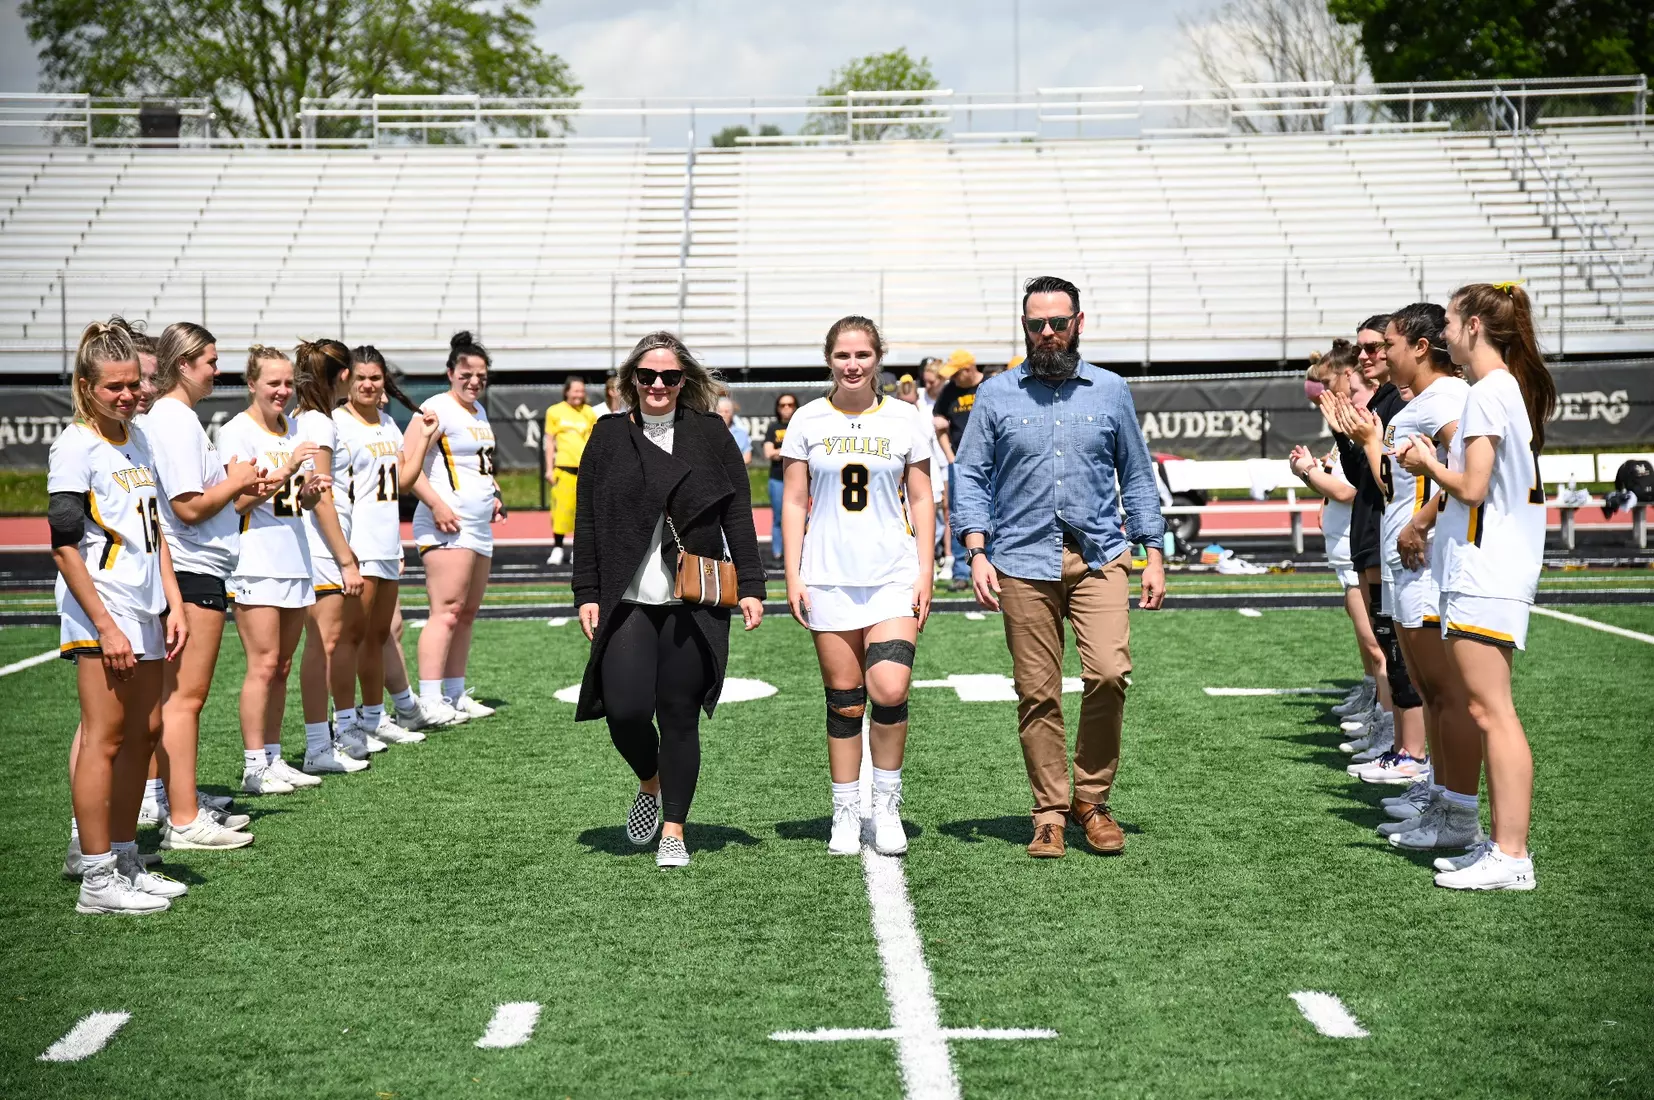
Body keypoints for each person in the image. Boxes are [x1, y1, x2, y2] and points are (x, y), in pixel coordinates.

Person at [953, 275, 1166, 859]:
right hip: (1021, 558)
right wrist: (975, 550)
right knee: (1037, 693)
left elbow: (1138, 473)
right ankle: (1049, 811)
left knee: (1107, 675)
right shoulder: (996, 395)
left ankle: (1091, 800)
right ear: (1024, 328)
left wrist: (1154, 552)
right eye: (1035, 324)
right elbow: (969, 474)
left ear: (1078, 323)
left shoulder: (1111, 390)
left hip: (1100, 554)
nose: (1047, 333)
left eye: (1057, 322)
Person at [573, 332, 766, 869]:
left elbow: (738, 515)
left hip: (693, 594)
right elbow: (585, 518)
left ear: (686, 382)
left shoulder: (709, 432)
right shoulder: (608, 434)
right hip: (627, 595)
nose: (658, 385)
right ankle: (650, 781)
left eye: (670, 376)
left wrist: (750, 584)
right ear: (631, 380)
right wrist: (586, 592)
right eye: (647, 376)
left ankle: (675, 829)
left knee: (679, 715)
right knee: (626, 709)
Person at [1395, 281, 1554, 891]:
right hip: (1486, 565)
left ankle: (1512, 855)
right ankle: (1502, 846)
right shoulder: (1501, 388)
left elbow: (1472, 487)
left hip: (1487, 569)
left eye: (1453, 322)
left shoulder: (1489, 390)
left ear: (1474, 330)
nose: (1445, 333)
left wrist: (1425, 463)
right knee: (1487, 708)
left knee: (1493, 711)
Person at [51, 320, 189, 913]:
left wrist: (173, 597)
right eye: (114, 387)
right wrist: (105, 626)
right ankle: (97, 876)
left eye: (134, 384)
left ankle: (128, 859)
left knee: (146, 733)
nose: (129, 395)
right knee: (105, 739)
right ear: (86, 386)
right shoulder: (74, 445)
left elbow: (152, 530)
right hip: (101, 609)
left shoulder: (140, 437)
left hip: (146, 605)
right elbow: (62, 545)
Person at [782, 318, 934, 856]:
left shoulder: (906, 417)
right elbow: (795, 501)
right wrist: (794, 573)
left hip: (892, 575)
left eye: (864, 354)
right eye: (844, 355)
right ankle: (846, 811)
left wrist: (926, 570)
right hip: (827, 576)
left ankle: (887, 803)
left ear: (878, 359)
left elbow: (920, 499)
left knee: (890, 689)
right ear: (829, 359)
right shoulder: (806, 419)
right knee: (845, 702)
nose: (853, 364)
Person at [142, 322, 258, 849]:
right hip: (192, 570)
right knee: (184, 700)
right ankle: (183, 817)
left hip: (197, 567)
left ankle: (176, 799)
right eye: (210, 360)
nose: (217, 369)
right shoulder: (174, 420)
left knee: (177, 700)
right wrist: (235, 480)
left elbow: (208, 502)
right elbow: (188, 509)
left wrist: (243, 487)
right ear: (184, 364)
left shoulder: (178, 419)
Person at [219, 346, 326, 795]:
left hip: (294, 556)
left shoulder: (296, 427)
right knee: (262, 665)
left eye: (288, 383)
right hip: (256, 561)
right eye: (273, 384)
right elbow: (238, 501)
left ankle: (275, 758)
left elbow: (295, 503)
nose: (283, 392)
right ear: (252, 384)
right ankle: (253, 766)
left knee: (282, 665)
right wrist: (285, 468)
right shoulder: (236, 432)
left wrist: (314, 491)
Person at [401, 331, 501, 725]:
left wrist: (494, 494)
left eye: (481, 376)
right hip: (447, 525)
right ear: (450, 372)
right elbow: (406, 464)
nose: (474, 381)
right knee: (446, 610)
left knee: (467, 612)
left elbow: (477, 465)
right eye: (467, 373)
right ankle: (429, 698)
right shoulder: (435, 407)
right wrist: (437, 503)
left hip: (477, 526)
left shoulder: (478, 411)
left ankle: (456, 694)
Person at [1319, 315, 1404, 759]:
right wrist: (1344, 433)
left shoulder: (1401, 404)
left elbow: (1384, 480)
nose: (1367, 356)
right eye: (1362, 349)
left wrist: (1365, 441)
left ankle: (1404, 747)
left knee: (1393, 650)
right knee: (1387, 644)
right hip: (1372, 533)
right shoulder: (1388, 401)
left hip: (1391, 535)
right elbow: (1365, 475)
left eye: (1376, 346)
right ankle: (1396, 739)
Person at [1290, 343, 1385, 726]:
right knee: (1368, 635)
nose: (1327, 402)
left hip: (1358, 542)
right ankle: (1374, 701)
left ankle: (1385, 721)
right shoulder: (1347, 424)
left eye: (1330, 389)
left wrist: (1308, 473)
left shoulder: (1363, 420)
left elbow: (1349, 490)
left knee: (1377, 641)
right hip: (1349, 542)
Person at [293, 339, 374, 775]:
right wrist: (345, 557)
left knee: (320, 645)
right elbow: (321, 494)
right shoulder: (320, 423)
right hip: (321, 545)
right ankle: (318, 745)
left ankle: (322, 740)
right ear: (343, 375)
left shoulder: (305, 419)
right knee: (322, 645)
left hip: (316, 542)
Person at [341, 346, 428, 745]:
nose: (368, 384)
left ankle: (374, 716)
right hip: (357, 545)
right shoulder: (337, 423)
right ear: (347, 379)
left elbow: (404, 481)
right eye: (361, 377)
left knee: (379, 636)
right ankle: (345, 722)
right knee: (351, 637)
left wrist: (423, 438)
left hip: (386, 542)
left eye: (375, 378)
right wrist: (345, 552)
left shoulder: (390, 424)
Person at [932, 348, 982, 590]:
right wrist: (951, 458)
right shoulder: (949, 391)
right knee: (961, 516)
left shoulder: (990, 386)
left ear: (969, 370)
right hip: (961, 463)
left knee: (995, 515)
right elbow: (939, 425)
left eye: (955, 373)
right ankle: (963, 573)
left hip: (991, 462)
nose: (951, 379)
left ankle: (991, 569)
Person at [896, 374, 948, 578]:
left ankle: (928, 560)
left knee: (931, 520)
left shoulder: (925, 415)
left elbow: (933, 450)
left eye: (911, 401)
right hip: (901, 478)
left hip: (928, 472)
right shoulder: (893, 417)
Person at [544, 375, 597, 567]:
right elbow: (549, 442)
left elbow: (593, 442)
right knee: (560, 512)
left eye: (582, 391)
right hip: (563, 470)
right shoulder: (554, 412)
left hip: (584, 471)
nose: (579, 394)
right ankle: (557, 548)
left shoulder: (589, 413)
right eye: (575, 390)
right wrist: (549, 468)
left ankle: (578, 550)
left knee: (582, 514)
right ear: (567, 391)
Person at [761, 392, 798, 566]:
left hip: (798, 479)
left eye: (790, 405)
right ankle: (777, 554)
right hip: (777, 478)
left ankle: (798, 552)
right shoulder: (773, 427)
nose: (786, 408)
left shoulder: (800, 426)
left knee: (801, 517)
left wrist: (780, 452)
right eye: (783, 405)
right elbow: (769, 453)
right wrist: (790, 451)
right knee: (778, 517)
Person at [716, 394, 752, 464]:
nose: (723, 415)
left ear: (732, 413)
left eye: (726, 411)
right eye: (720, 411)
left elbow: (747, 458)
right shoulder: (708, 431)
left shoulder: (741, 433)